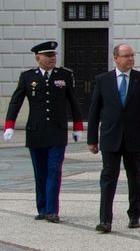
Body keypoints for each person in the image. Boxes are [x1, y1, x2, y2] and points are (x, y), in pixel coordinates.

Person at [4, 41, 84, 223]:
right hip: (36, 131)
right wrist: (9, 124)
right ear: (38, 58)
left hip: (57, 131)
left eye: (53, 55)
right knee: (40, 171)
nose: (52, 59)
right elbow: (16, 101)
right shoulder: (27, 77)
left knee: (54, 170)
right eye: (48, 56)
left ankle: (52, 210)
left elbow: (73, 101)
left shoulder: (64, 75)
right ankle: (42, 207)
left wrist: (77, 126)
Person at [87, 43, 140, 233]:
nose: (131, 59)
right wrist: (92, 139)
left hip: (135, 137)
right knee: (108, 178)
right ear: (116, 58)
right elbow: (94, 111)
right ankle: (105, 220)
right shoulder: (103, 80)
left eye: (132, 56)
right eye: (126, 56)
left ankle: (134, 215)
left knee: (134, 177)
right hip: (111, 137)